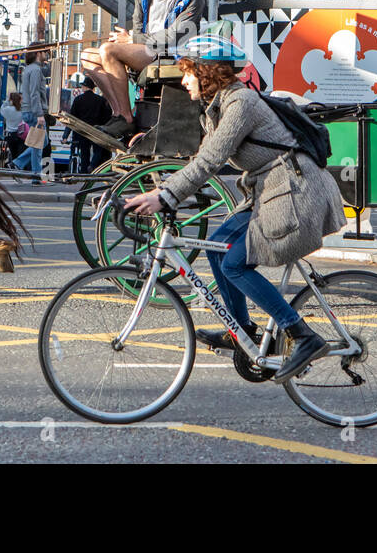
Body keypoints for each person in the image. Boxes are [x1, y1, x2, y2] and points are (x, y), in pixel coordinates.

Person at [124, 35, 346, 384]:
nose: (183, 81)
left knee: (234, 263)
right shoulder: (218, 106)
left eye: (187, 72)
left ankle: (302, 335)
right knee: (217, 248)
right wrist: (158, 170)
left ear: (207, 72)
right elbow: (198, 155)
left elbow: (209, 162)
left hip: (297, 193)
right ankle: (241, 332)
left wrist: (165, 197)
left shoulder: (240, 103)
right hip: (270, 191)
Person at [81, 0, 206, 140]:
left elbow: (176, 35)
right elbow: (138, 24)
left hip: (170, 55)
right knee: (87, 57)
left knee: (108, 51)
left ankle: (125, 119)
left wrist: (132, 39)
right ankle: (119, 113)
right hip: (145, 51)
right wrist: (130, 42)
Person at [15, 44, 51, 184]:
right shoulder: (36, 70)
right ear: (38, 53)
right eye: (44, 52)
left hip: (28, 109)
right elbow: (35, 93)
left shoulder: (28, 69)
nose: (46, 55)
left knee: (42, 142)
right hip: (34, 111)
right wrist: (39, 114)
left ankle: (20, 164)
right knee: (38, 144)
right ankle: (35, 176)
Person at [67, 75, 112, 171]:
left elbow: (72, 117)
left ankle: (84, 172)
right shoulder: (101, 100)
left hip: (83, 130)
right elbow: (107, 117)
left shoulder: (78, 99)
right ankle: (92, 165)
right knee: (98, 150)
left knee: (84, 152)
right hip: (97, 130)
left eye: (83, 86)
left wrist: (65, 135)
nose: (82, 87)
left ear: (85, 87)